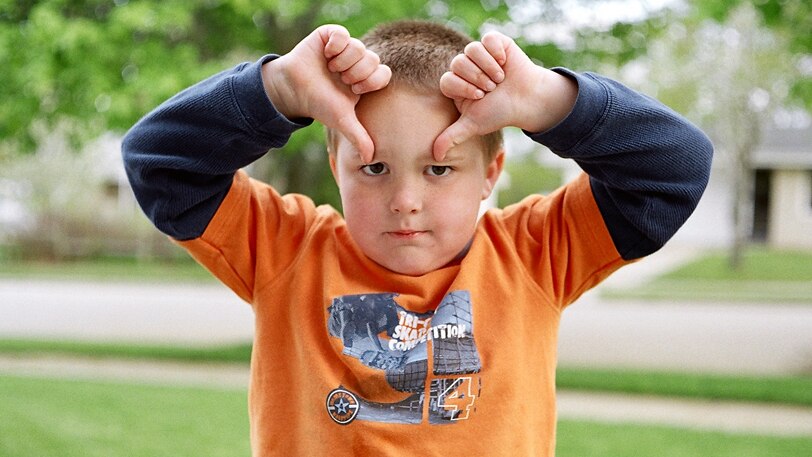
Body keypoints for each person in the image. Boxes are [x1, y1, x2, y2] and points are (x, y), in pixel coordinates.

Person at [122, 19, 712, 457]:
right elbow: (160, 164)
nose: (406, 200)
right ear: (337, 168)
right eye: (373, 167)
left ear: (490, 174)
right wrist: (277, 90)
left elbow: (674, 170)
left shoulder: (536, 253)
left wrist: (548, 103)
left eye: (439, 168)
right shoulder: (286, 249)